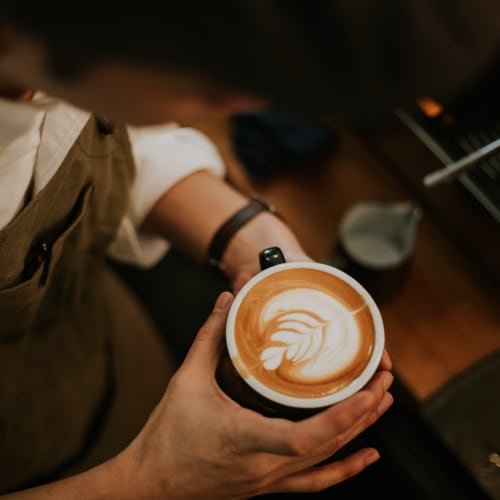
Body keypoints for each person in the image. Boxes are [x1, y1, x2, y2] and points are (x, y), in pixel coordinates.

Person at [1, 0, 498, 497]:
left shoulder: (69, 45)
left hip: (105, 343)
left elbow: (105, 124)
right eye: (218, 86)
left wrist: (252, 239)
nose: (252, 106)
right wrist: (153, 480)